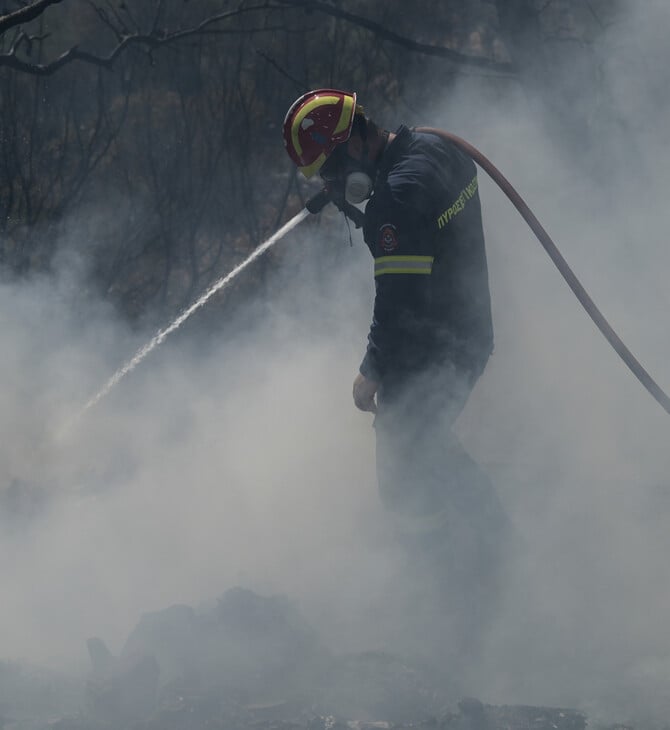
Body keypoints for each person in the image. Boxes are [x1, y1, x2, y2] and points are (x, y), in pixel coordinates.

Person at [282, 89, 507, 640]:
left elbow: (399, 299)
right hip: (464, 333)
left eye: (335, 169)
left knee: (405, 471)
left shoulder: (395, 199)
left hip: (432, 346)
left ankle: (457, 592)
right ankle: (487, 551)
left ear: (358, 137)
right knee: (424, 449)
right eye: (323, 178)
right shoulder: (435, 148)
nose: (333, 184)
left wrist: (371, 368)